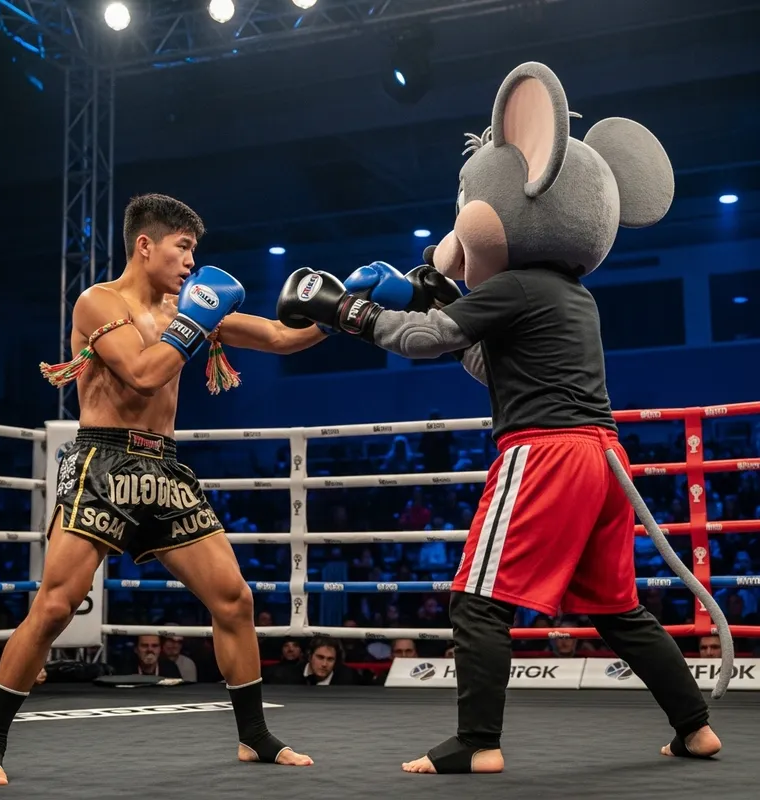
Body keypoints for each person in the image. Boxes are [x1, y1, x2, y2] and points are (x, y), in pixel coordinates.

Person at [276, 61, 726, 774]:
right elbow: (487, 364)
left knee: (476, 598)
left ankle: (478, 742)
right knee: (617, 609)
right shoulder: (572, 296)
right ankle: (696, 727)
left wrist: (348, 312)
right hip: (603, 459)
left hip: (543, 452)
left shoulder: (516, 283)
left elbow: (425, 343)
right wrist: (432, 303)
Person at [0, 193, 336, 786]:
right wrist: (195, 319)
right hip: (102, 461)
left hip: (164, 470)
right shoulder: (97, 302)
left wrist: (347, 312)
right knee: (56, 604)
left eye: (195, 250)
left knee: (234, 600)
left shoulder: (184, 306)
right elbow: (140, 374)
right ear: (145, 244)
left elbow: (278, 336)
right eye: (183, 247)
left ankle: (254, 737)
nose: (192, 262)